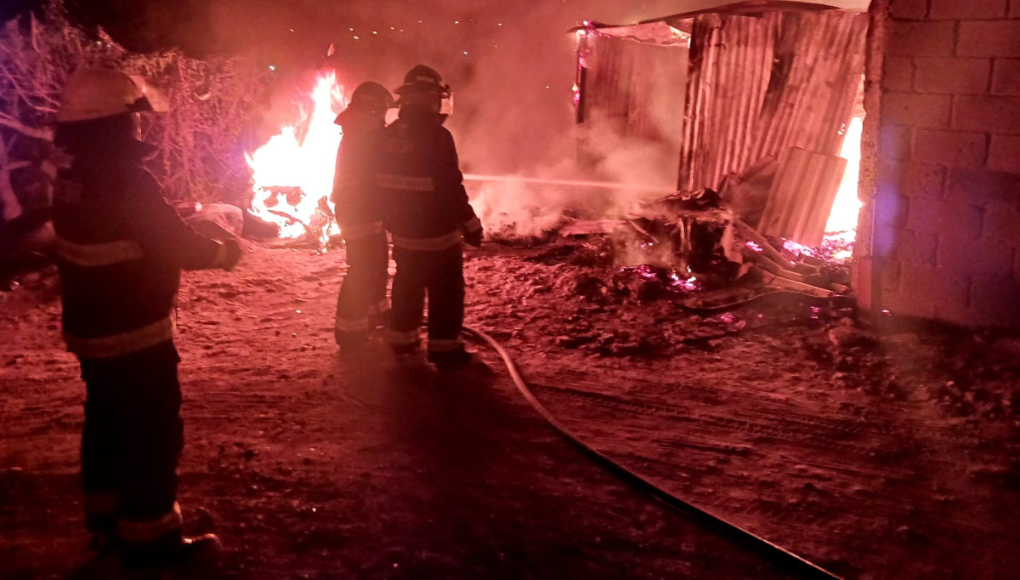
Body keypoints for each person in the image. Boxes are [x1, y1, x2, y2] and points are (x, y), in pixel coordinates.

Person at [51, 68, 240, 576]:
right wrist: (223, 252)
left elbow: (124, 229)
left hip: (91, 328)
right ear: (111, 123)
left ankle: (107, 524)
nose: (137, 128)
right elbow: (171, 243)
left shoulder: (72, 171)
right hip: (133, 329)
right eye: (130, 118)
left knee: (108, 422)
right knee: (151, 431)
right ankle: (152, 542)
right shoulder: (127, 178)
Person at [376, 65, 483, 368]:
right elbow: (450, 188)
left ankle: (402, 342)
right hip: (437, 235)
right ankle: (445, 350)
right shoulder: (438, 137)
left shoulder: (388, 134)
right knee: (446, 290)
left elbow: (379, 183)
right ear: (429, 98)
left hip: (404, 233)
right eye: (437, 96)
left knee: (407, 284)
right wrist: (471, 225)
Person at [332, 82, 394, 347]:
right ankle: (350, 331)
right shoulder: (362, 136)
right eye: (381, 113)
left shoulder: (360, 132)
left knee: (377, 262)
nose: (383, 119)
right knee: (362, 269)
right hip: (359, 211)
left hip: (366, 210)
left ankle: (376, 311)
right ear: (371, 111)